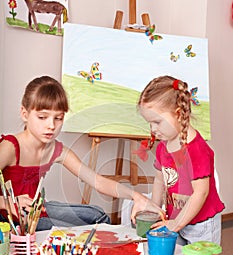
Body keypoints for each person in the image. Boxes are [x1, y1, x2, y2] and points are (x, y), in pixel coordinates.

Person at [0, 75, 162, 231]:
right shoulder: (9, 147)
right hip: (7, 219)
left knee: (98, 217)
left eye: (58, 118)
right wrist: (8, 203)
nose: (51, 125)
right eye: (42, 117)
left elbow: (97, 181)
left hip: (35, 211)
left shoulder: (56, 150)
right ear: (25, 114)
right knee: (57, 231)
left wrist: (135, 196)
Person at [137, 75, 224, 244]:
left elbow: (201, 192)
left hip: (201, 225)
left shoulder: (196, 150)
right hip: (176, 219)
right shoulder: (164, 146)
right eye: (150, 124)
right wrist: (154, 210)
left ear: (178, 114)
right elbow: (159, 178)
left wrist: (177, 224)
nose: (153, 130)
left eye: (157, 122)